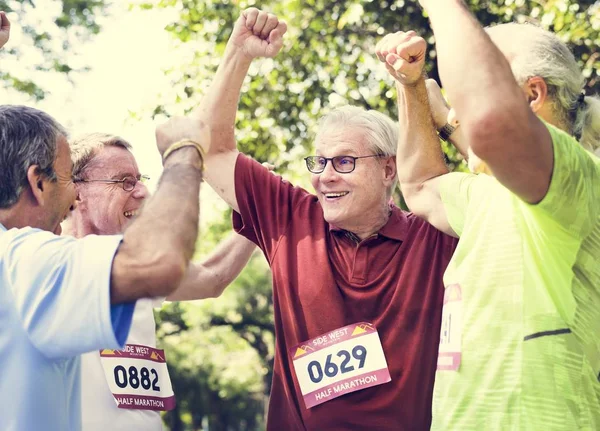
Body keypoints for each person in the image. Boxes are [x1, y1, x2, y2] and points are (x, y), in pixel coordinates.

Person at [186, 8, 458, 430]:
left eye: (345, 161)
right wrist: (238, 53)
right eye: (320, 161)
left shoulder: (436, 236)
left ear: (389, 170)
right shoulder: (291, 217)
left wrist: (423, 97)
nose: (324, 176)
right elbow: (213, 150)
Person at [375, 6, 600, 429]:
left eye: (476, 90)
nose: (460, 108)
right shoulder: (487, 192)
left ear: (533, 94)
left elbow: (494, 124)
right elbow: (421, 186)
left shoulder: (581, 179)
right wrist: (412, 89)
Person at [0, 15, 209, 429]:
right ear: (37, 183)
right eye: (64, 179)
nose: (73, 196)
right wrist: (184, 155)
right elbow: (158, 260)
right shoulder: (28, 262)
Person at [61, 132, 256, 431]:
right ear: (76, 192)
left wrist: (260, 213)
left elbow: (212, 277)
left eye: (140, 179)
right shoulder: (47, 265)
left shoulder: (136, 265)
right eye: (125, 181)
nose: (143, 192)